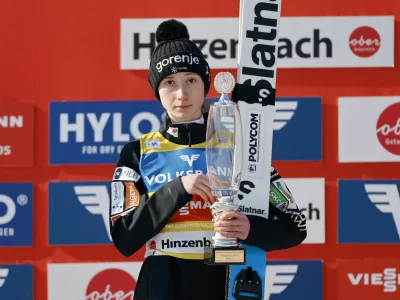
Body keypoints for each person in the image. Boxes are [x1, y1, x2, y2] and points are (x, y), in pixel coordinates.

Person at [109, 19, 307, 300]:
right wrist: (177, 189)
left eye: (191, 80)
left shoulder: (240, 147)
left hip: (224, 281)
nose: (181, 93)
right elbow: (124, 238)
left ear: (206, 84)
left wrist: (250, 229)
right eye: (169, 83)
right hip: (164, 284)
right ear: (157, 91)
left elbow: (295, 226)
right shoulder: (138, 152)